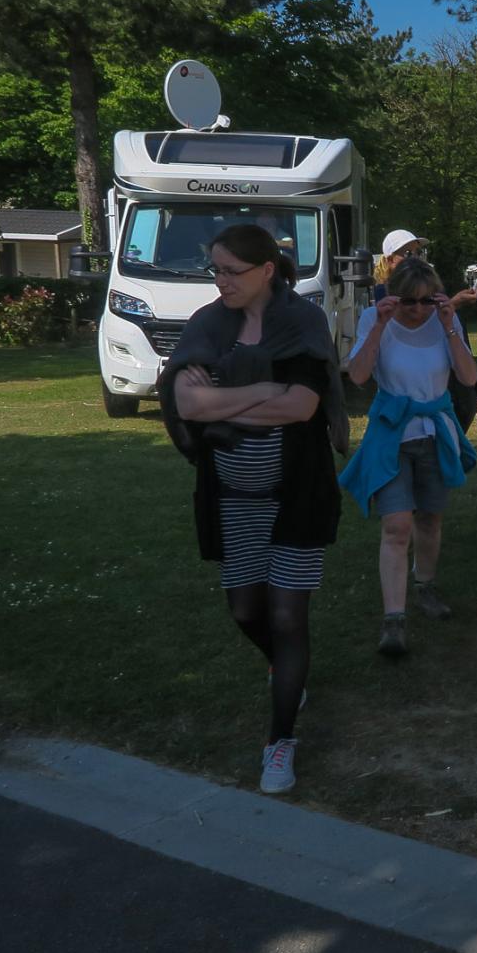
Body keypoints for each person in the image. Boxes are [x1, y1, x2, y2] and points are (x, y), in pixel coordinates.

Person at [158, 225, 345, 795]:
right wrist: (264, 393)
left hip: (297, 495)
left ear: (267, 269)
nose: (221, 281)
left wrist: (224, 406)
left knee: (289, 618)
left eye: (231, 271)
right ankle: (287, 671)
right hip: (234, 500)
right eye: (214, 270)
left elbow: (304, 406)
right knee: (246, 613)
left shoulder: (303, 323)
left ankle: (280, 740)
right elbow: (186, 400)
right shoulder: (209, 325)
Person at [341, 258, 477, 657]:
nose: (417, 310)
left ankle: (426, 585)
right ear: (392, 296)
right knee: (397, 525)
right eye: (408, 301)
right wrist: (382, 325)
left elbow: (469, 377)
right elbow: (359, 376)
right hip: (393, 435)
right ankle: (394, 619)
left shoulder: (443, 321)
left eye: (425, 301)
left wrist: (451, 326)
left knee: (430, 519)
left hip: (435, 432)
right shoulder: (375, 318)